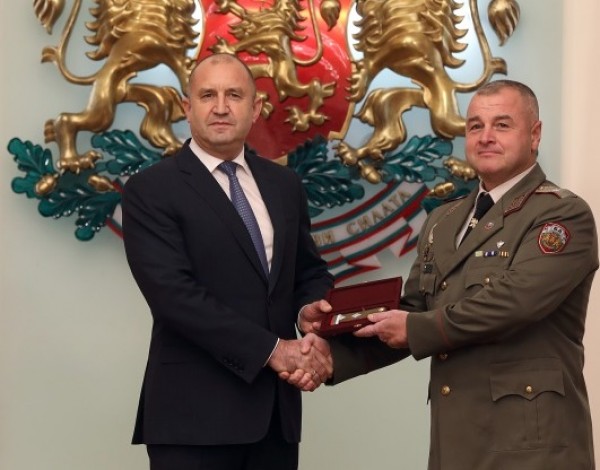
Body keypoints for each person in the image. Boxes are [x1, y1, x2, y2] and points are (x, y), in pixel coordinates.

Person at [299, 80, 598, 469]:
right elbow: (412, 310)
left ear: (535, 134)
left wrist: (414, 328)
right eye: (475, 126)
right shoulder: (444, 219)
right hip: (456, 443)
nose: (485, 137)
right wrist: (333, 350)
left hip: (531, 446)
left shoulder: (562, 214)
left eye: (502, 125)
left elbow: (514, 302)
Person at [122, 53, 334, 470]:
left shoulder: (284, 184)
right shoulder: (150, 190)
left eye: (234, 95)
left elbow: (307, 271)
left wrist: (310, 311)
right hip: (192, 420)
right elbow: (174, 297)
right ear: (187, 108)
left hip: (274, 418)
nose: (221, 107)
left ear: (256, 109)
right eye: (208, 96)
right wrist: (274, 351)